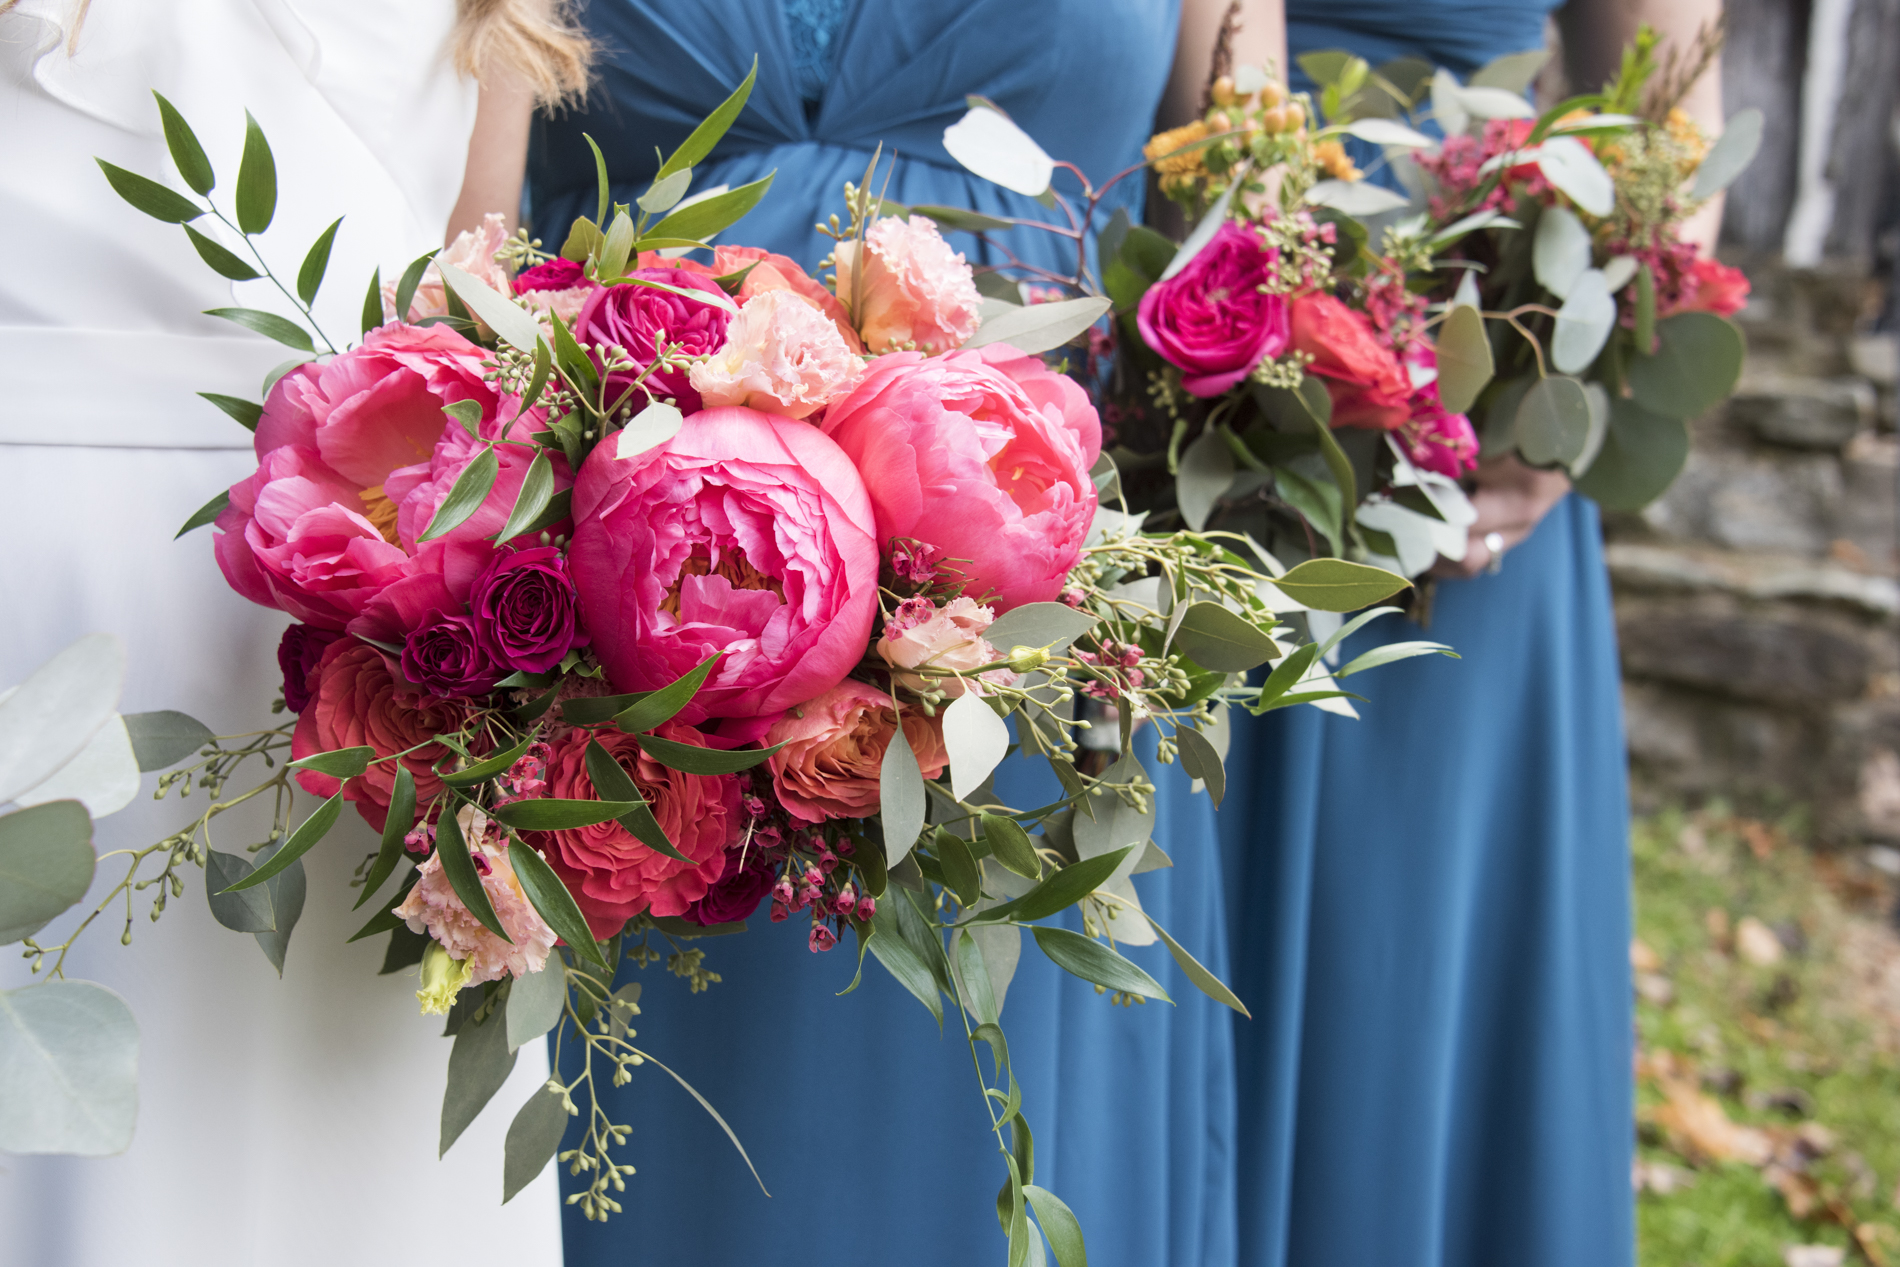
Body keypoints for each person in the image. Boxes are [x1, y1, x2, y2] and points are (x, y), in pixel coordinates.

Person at [445, 2, 1261, 1263]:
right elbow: (463, 249)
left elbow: (1243, 210)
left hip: (1012, 661)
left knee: (977, 1122)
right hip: (634, 662)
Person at [0, 2, 586, 1262]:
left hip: (335, 650)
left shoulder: (491, 21)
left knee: (321, 1144)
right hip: (48, 616)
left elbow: (458, 320)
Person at [1215, 2, 1724, 1264]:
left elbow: (1673, 111)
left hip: (1484, 347)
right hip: (1197, 353)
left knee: (1400, 981)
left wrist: (1569, 399)